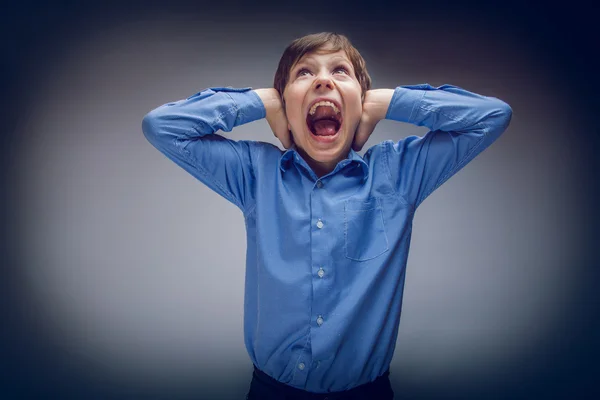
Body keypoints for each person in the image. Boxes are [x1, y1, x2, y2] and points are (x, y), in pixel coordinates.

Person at [142, 32, 512, 400]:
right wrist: (261, 101)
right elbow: (163, 127)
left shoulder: (397, 175)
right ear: (286, 106)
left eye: (340, 71)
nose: (322, 80)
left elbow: (492, 116)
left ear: (360, 103)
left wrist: (387, 101)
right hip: (272, 391)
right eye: (303, 73)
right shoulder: (255, 173)